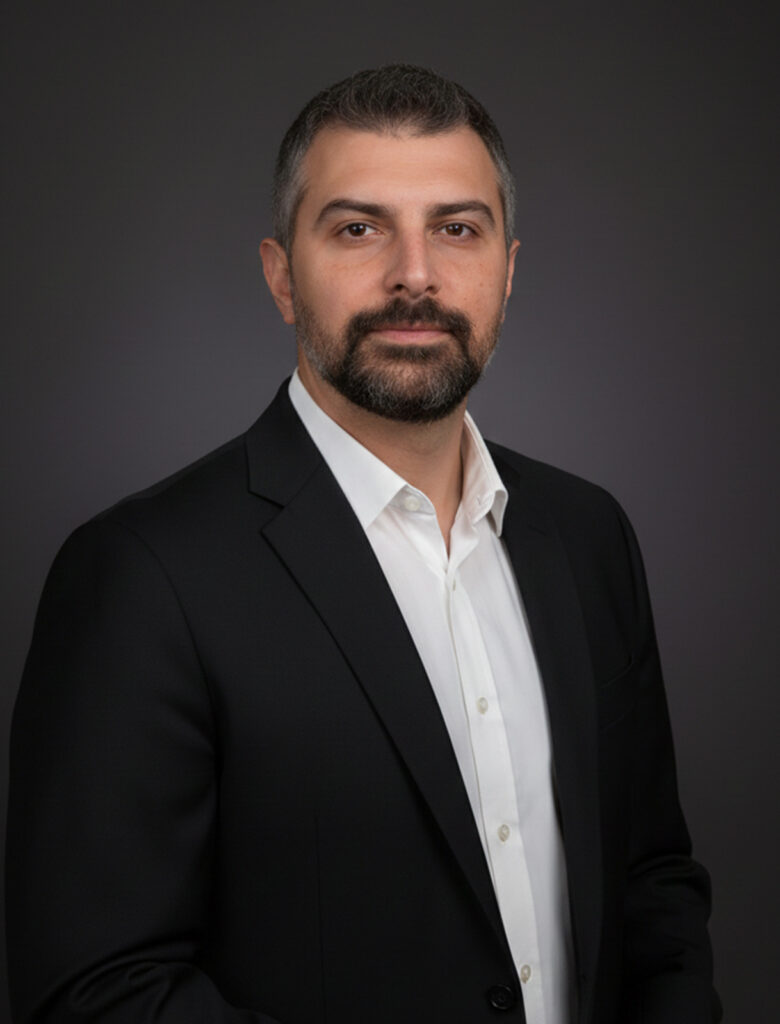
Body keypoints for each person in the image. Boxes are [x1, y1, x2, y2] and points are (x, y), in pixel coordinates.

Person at [6, 64, 720, 1024]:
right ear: (280, 276)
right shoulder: (140, 575)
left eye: (456, 229)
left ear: (508, 271)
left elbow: (652, 887)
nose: (414, 275)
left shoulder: (587, 536)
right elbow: (99, 991)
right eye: (358, 228)